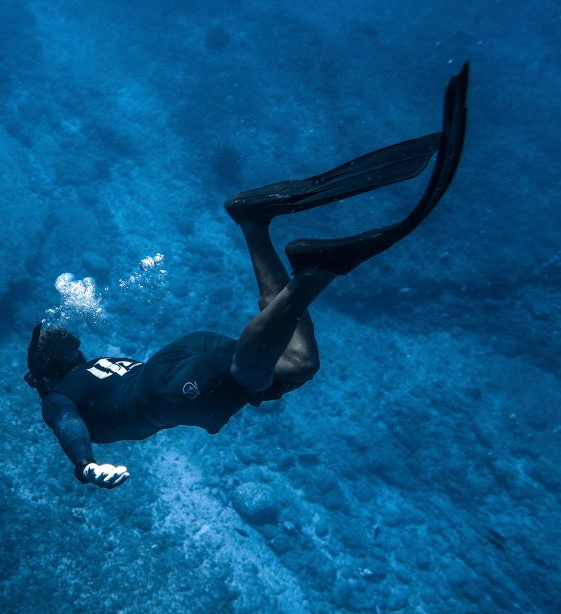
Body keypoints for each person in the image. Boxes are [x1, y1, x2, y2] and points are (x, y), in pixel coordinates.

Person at [25, 63, 469, 489]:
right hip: (179, 355)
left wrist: (86, 466)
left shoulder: (58, 396)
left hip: (170, 391)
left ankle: (314, 275)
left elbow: (66, 422)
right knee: (297, 365)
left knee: (258, 376)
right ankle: (255, 225)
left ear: (45, 377)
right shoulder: (98, 364)